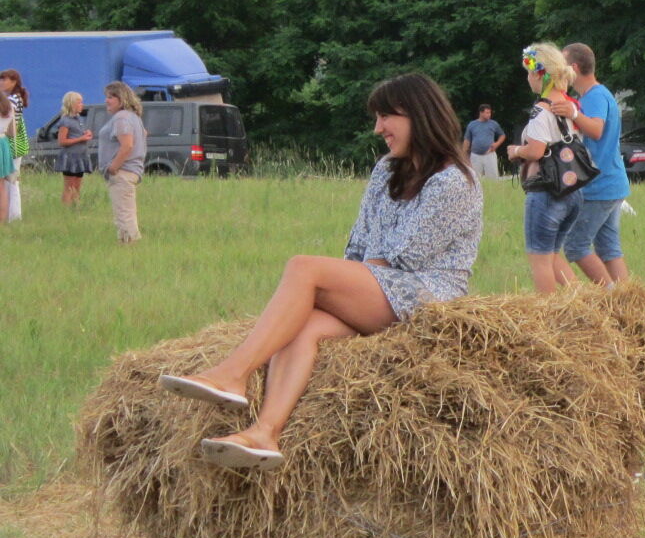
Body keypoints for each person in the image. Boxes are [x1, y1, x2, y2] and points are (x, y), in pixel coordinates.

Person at [157, 73, 483, 469]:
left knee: (303, 268)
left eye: (386, 117)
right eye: (377, 118)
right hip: (381, 291)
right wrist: (350, 277)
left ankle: (233, 373)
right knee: (302, 325)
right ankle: (265, 432)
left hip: (428, 299)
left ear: (419, 115)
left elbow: (407, 257)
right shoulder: (386, 169)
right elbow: (359, 244)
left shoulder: (454, 180)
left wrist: (345, 278)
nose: (378, 128)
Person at [548, 42, 630, 285]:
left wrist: (573, 114)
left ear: (574, 67)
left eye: (562, 65)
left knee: (576, 245)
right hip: (611, 183)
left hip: (599, 186)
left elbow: (596, 129)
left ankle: (610, 295)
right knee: (608, 248)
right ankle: (627, 300)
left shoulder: (594, 97)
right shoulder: (596, 95)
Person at [508, 44, 585, 293]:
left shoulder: (540, 111)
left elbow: (536, 151)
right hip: (572, 191)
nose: (527, 79)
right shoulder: (569, 108)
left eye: (529, 73)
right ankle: (582, 303)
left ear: (539, 74)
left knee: (539, 259)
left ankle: (546, 312)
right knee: (552, 255)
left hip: (546, 193)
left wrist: (516, 151)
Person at [99, 81, 147, 243]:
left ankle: (130, 246)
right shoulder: (133, 117)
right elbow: (144, 134)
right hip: (131, 171)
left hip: (123, 172)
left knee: (124, 216)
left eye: (111, 97)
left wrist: (113, 167)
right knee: (126, 213)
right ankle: (127, 245)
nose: (106, 100)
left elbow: (127, 145)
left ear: (122, 99)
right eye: (107, 97)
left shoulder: (122, 118)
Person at [56, 91, 95, 205]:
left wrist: (86, 134)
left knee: (77, 186)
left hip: (80, 157)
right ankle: (66, 209)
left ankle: (76, 208)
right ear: (71, 104)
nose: (82, 105)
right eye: (79, 102)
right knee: (69, 186)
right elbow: (62, 141)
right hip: (70, 157)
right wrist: (81, 139)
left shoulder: (79, 119)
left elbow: (77, 134)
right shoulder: (65, 120)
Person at [0, 69, 25, 222]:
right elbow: (12, 131)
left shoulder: (13, 100)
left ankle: (14, 215)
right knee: (6, 183)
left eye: (4, 79)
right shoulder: (11, 104)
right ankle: (6, 217)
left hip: (7, 144)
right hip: (5, 143)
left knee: (10, 184)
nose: (1, 82)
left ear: (14, 81)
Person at [461, 104, 507, 180]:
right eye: (487, 113)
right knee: (475, 178)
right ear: (481, 113)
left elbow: (502, 135)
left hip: (489, 154)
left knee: (493, 179)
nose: (489, 114)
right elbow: (467, 140)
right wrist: (463, 154)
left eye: (490, 112)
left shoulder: (493, 124)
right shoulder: (472, 125)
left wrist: (497, 144)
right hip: (475, 156)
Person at [0, 91, 14, 226]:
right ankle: (2, 219)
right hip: (3, 144)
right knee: (2, 186)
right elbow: (12, 133)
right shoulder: (9, 108)